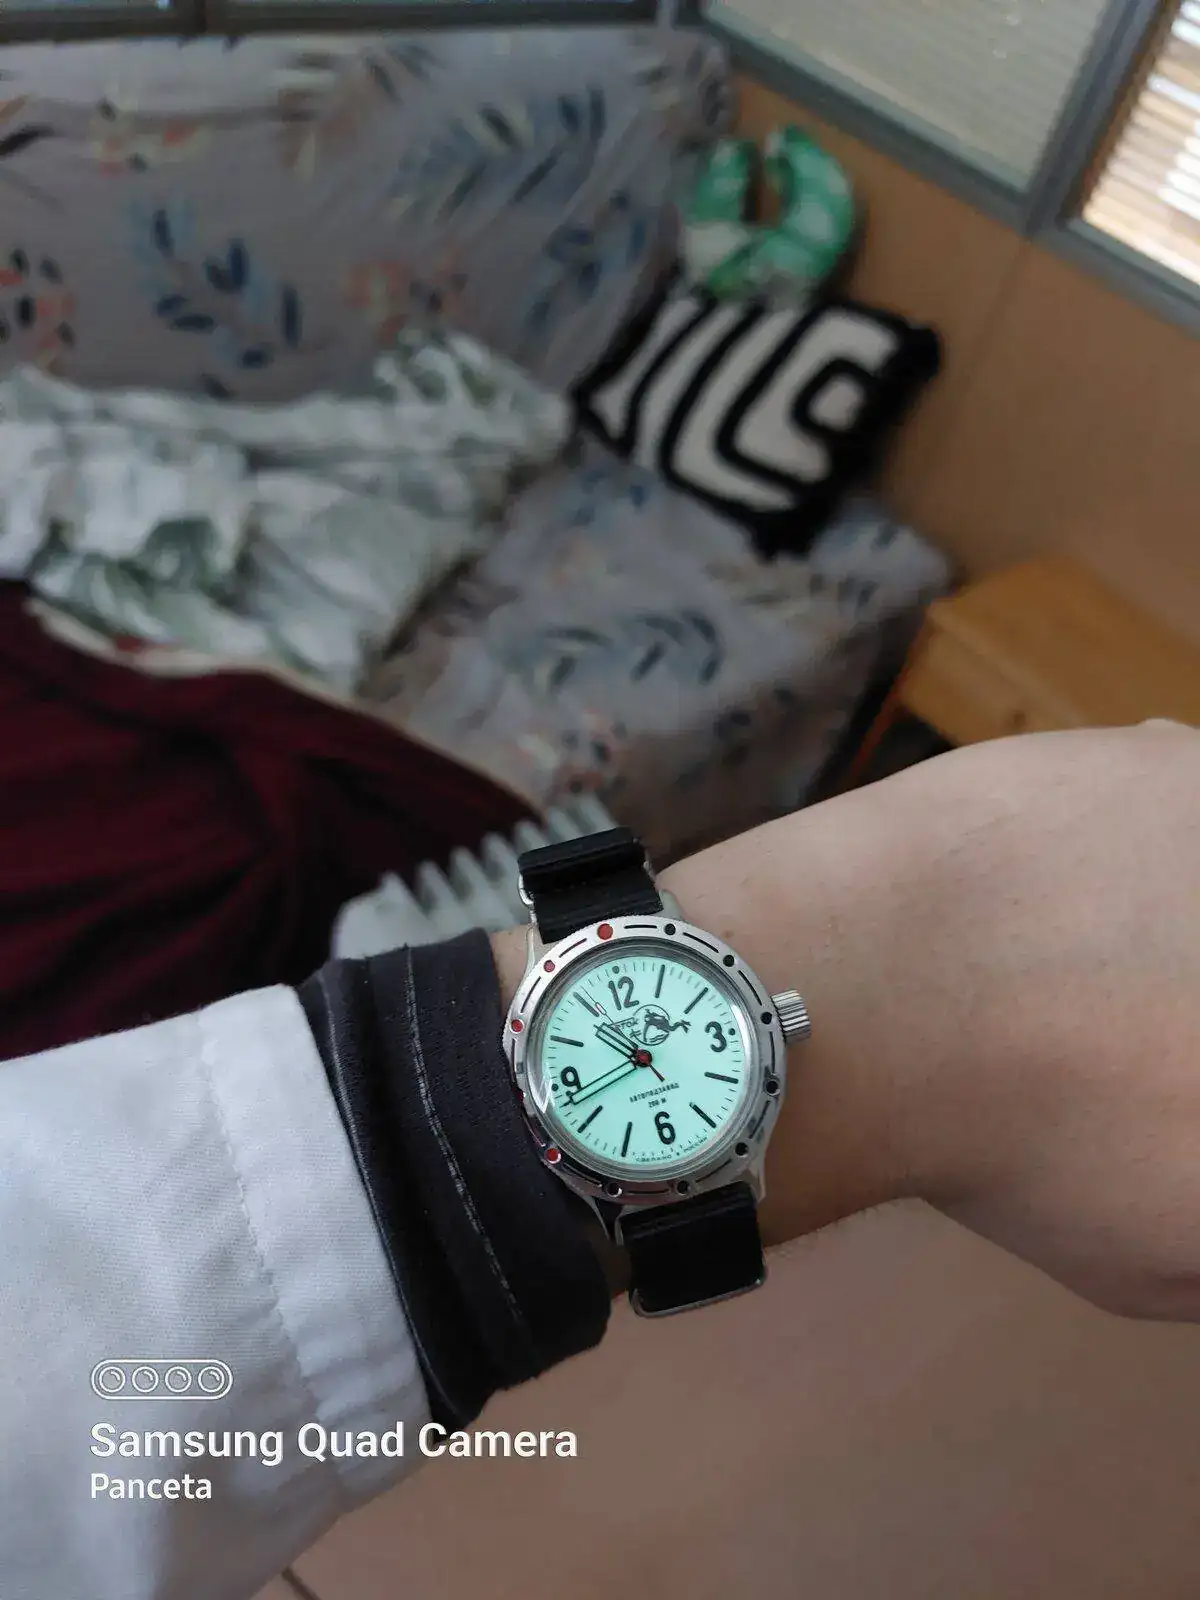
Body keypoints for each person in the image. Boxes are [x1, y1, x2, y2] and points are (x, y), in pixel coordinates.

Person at [3, 720, 1199, 1600]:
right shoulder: (627, 1043)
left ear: (768, 1021)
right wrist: (949, 946)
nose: (636, 1058)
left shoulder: (716, 1032)